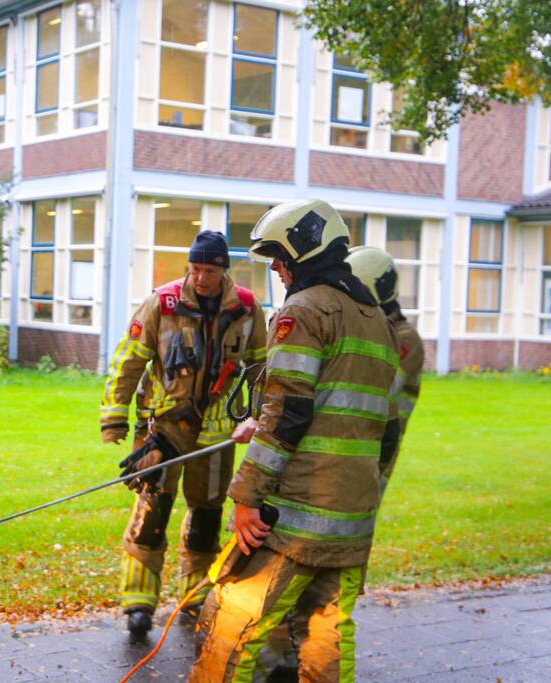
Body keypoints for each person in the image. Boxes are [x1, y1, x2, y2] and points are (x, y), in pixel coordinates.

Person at [189, 200, 400, 683]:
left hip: (295, 517)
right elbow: (380, 426)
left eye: (280, 257)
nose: (278, 269)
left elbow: (286, 415)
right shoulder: (377, 321)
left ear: (305, 250)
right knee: (327, 630)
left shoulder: (303, 311)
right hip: (352, 516)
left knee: (234, 619)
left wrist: (245, 496)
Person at [99, 230, 267, 637]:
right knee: (151, 513)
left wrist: (261, 421)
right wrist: (114, 417)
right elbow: (128, 361)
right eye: (195, 269)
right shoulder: (163, 303)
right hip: (162, 432)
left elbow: (262, 369)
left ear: (224, 269)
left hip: (215, 437)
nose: (200, 278)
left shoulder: (246, 309)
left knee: (206, 519)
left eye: (209, 270)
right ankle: (138, 602)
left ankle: (195, 597)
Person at [345, 245, 424, 492]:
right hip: (351, 438)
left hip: (379, 443)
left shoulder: (404, 339)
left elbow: (377, 387)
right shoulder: (367, 329)